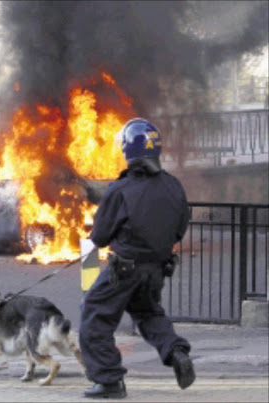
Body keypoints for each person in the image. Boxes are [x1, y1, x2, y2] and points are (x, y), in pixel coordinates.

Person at [79, 118, 195, 399]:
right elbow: (180, 228)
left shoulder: (121, 189)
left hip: (124, 269)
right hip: (156, 269)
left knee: (95, 315)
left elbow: (100, 236)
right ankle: (176, 351)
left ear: (128, 151)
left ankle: (109, 381)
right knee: (148, 312)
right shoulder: (173, 186)